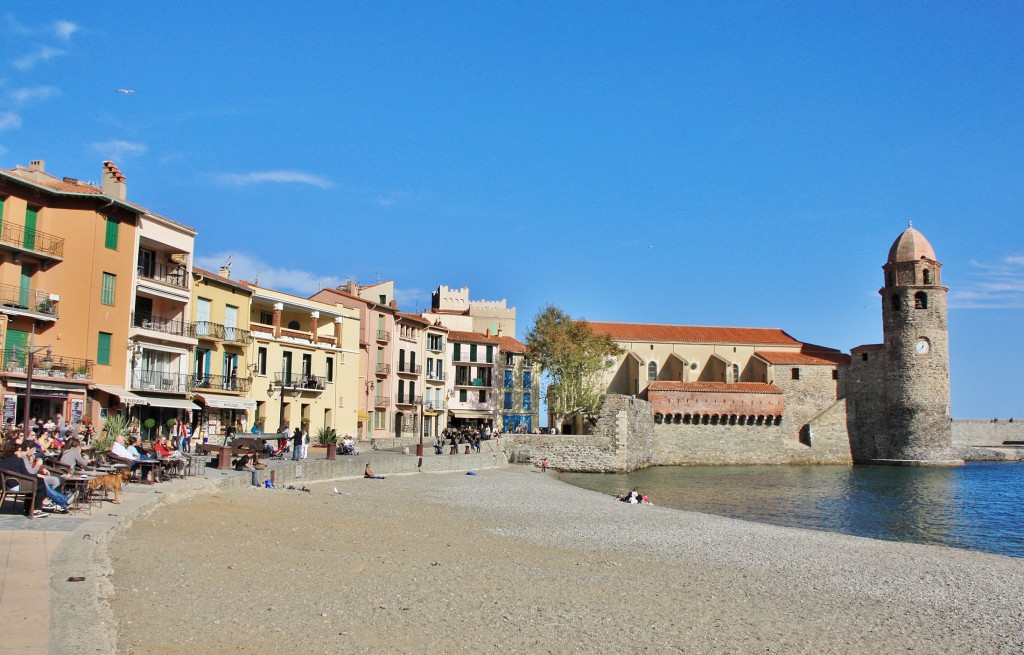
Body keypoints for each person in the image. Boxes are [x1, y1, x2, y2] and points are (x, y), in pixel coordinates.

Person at [0, 440, 48, 518]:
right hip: (17, 485)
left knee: (34, 483)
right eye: (19, 451)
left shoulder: (3, 461)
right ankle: (35, 510)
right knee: (40, 483)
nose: (21, 453)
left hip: (7, 485)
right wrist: (37, 474)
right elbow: (27, 475)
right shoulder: (19, 460)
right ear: (15, 452)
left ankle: (28, 509)